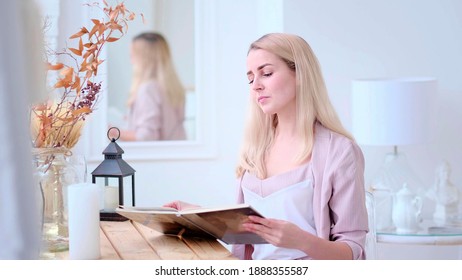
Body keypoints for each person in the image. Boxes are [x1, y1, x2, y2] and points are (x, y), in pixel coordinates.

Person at [165, 33, 368, 260]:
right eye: (251, 78)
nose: (256, 86)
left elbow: (353, 250)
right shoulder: (255, 148)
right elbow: (251, 229)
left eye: (267, 73)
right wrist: (194, 215)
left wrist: (301, 240)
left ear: (300, 73)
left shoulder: (339, 152)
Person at [109, 32, 187, 141]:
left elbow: (146, 136)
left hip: (157, 156)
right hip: (177, 153)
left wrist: (112, 131)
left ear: (143, 58)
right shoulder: (174, 88)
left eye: (132, 56)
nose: (131, 62)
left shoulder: (148, 89)